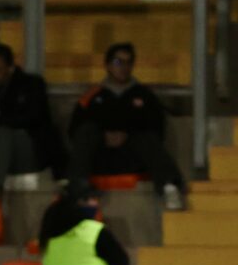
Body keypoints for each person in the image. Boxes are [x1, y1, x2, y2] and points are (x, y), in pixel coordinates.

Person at [67, 42, 186, 204]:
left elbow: (157, 129)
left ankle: (170, 187)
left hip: (133, 157)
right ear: (108, 65)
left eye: (128, 62)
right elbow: (75, 129)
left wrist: (127, 135)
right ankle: (79, 187)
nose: (124, 67)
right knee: (86, 130)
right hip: (100, 156)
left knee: (146, 136)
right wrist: (104, 137)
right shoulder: (93, 96)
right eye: (118, 62)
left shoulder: (144, 95)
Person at [0, 43, 58, 203]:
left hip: (28, 149)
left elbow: (34, 117)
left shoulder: (32, 84)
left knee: (4, 131)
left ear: (10, 67)